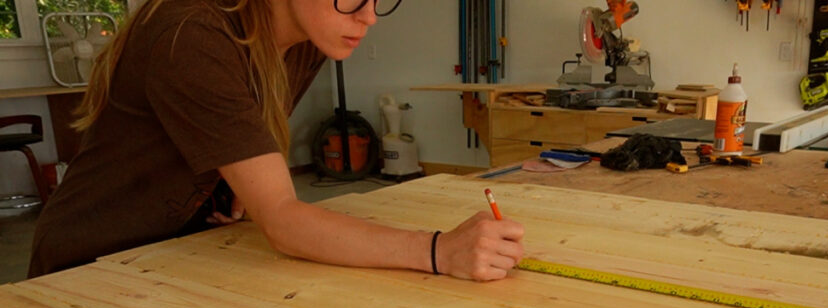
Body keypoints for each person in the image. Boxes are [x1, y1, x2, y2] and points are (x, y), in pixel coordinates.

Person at [27, 0, 524, 281]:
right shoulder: (192, 34)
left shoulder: (305, 39)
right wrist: (439, 251)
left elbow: (240, 132)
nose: (368, 16)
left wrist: (234, 184)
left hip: (182, 255)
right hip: (87, 265)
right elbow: (284, 222)